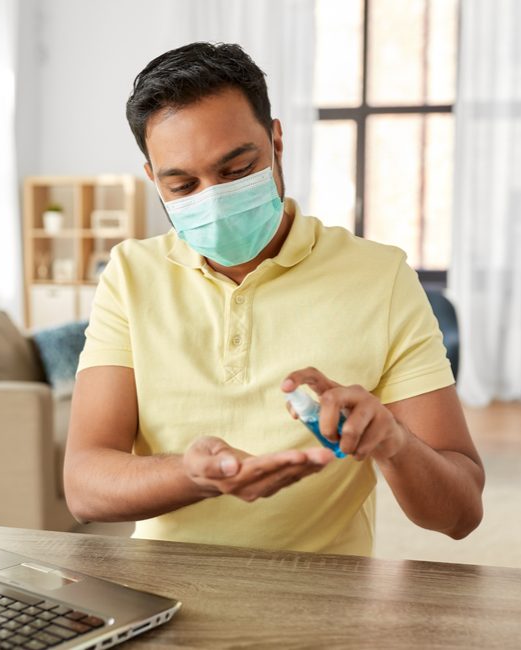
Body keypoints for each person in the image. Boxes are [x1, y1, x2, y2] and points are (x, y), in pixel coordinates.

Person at [64, 42, 484, 556]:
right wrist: (197, 475)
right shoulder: (130, 275)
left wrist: (395, 442)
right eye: (182, 184)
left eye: (237, 171)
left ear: (277, 140)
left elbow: (461, 512)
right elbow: (84, 486)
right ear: (153, 179)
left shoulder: (380, 277)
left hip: (324, 604)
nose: (213, 199)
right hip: (165, 595)